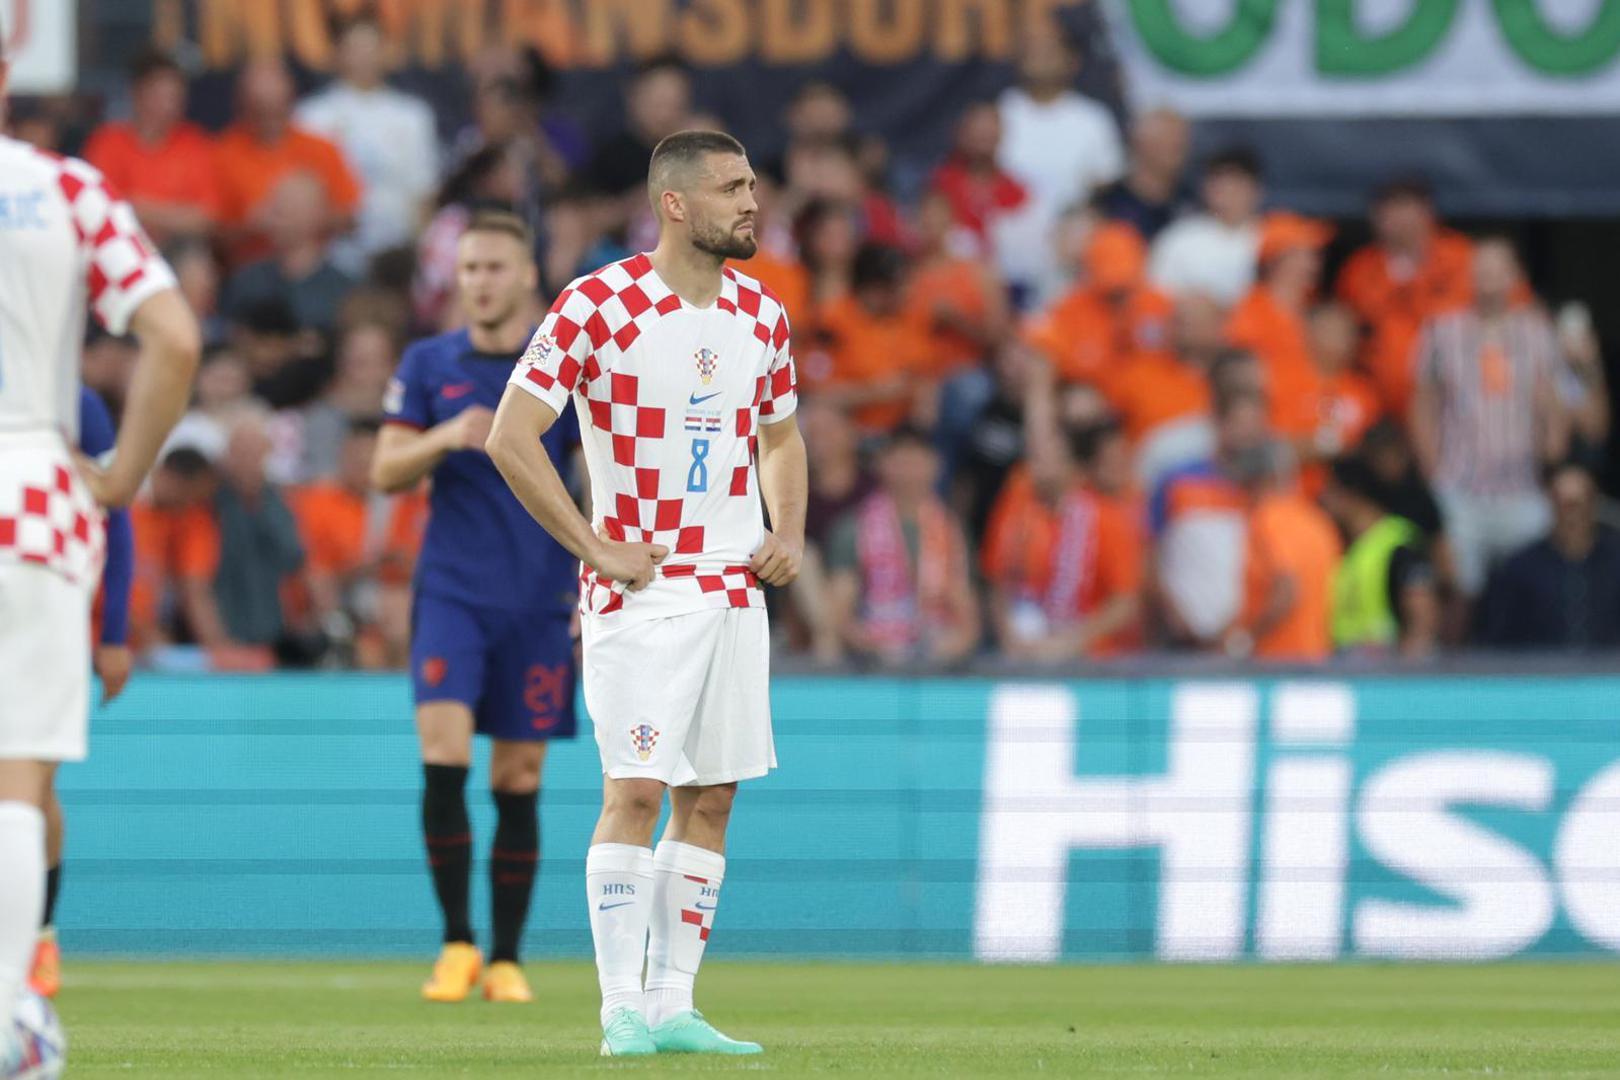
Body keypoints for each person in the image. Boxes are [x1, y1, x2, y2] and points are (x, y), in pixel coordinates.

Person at [486, 130, 806, 1055]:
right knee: (635, 789)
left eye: (752, 182)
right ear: (675, 203)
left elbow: (781, 437)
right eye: (732, 186)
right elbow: (512, 435)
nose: (753, 201)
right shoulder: (600, 303)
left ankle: (673, 1003)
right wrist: (593, 545)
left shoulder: (762, 315)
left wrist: (785, 530)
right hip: (644, 589)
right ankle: (618, 1007)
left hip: (733, 590)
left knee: (712, 799)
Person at [0, 40, 201, 1068]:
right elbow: (172, 338)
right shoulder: (66, 190)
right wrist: (120, 475)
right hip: (31, 495)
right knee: (17, 779)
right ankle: (13, 1023)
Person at [371, 211, 581, 1006]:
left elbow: (595, 479)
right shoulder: (431, 363)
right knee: (443, 755)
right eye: (469, 269)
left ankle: (509, 957)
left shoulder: (560, 365)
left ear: (527, 276)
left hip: (539, 596)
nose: (481, 281)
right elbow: (387, 468)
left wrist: (593, 584)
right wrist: (444, 438)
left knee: (519, 775)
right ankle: (457, 944)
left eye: (495, 267)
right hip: (453, 593)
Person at [28, 388, 138, 1001]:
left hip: (47, 603)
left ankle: (39, 937)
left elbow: (114, 512)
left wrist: (114, 631)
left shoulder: (73, 400)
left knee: (32, 784)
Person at [1409, 237, 1568, 627]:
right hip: (1461, 484)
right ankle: (1446, 679)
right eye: (1481, 269)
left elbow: (1552, 397)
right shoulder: (1442, 332)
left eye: (1499, 269)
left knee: (1534, 588)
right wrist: (1433, 468)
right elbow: (1423, 403)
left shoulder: (1536, 332)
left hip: (1521, 486)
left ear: (1516, 276)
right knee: (1461, 591)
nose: (1489, 279)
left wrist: (1554, 454)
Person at [981, 421, 1141, 661]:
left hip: (1090, 662)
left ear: (1075, 469)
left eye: (1050, 458)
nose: (1037, 467)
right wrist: (1009, 637)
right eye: (1035, 457)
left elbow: (1125, 602)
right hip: (1022, 654)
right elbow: (996, 584)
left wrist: (1072, 641)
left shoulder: (1106, 520)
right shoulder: (1012, 513)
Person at [295, 13, 441, 274]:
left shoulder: (412, 116)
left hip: (397, 257)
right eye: (355, 48)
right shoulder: (311, 116)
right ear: (337, 54)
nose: (364, 57)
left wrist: (422, 260)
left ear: (387, 52)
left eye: (371, 47)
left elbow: (423, 195)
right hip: (331, 257)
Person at [824, 426, 980, 667]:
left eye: (916, 459)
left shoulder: (951, 531)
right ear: (882, 464)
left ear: (935, 465)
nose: (909, 470)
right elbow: (839, 614)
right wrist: (876, 646)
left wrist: (946, 650)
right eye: (900, 459)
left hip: (938, 658)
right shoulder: (856, 527)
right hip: (871, 661)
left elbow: (966, 615)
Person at [996, 22, 1124, 298]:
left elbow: (1105, 190)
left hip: (1074, 251)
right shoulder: (1001, 113)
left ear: (1072, 61)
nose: (1039, 57)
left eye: (1049, 50)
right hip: (1007, 248)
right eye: (1031, 49)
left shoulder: (1092, 119)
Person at [1335, 176, 1475, 417]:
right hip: (1381, 408)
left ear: (1426, 211)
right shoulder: (1359, 270)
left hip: (1455, 405)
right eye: (1387, 208)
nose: (1396, 218)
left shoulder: (1462, 258)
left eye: (1404, 206)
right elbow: (1339, 335)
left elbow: (1513, 316)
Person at [213, 59, 362, 266]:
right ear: (243, 106)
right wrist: (252, 225)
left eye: (278, 107)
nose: (270, 118)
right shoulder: (222, 153)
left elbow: (351, 217)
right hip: (250, 268)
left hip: (316, 267)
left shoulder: (322, 148)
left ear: (291, 101)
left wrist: (305, 218)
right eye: (260, 109)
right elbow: (213, 233)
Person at [81, 50, 222, 246]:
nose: (169, 105)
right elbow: (96, 209)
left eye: (175, 96)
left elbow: (206, 219)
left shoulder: (194, 143)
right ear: (137, 93)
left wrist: (137, 207)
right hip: (122, 243)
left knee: (197, 271)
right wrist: (173, 213)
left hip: (177, 246)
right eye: (160, 95)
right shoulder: (107, 141)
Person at [1480, 457, 1620, 650]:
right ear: (1551, 504)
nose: (1572, 515)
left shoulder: (1615, 563)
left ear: (1593, 504)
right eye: (1563, 504)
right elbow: (1500, 641)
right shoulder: (1521, 568)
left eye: (1578, 503)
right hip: (1539, 675)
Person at [1322, 455, 1439, 658]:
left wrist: (1406, 675)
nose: (1323, 499)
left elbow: (1423, 619)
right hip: (1348, 666)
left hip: (1386, 672)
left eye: (1331, 491)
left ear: (1351, 495)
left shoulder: (1399, 545)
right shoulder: (1348, 546)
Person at [221, 170, 356, 336]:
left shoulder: (343, 290)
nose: (279, 215)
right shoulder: (247, 280)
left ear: (319, 214)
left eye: (291, 207)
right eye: (276, 206)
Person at [1149, 146, 1264, 306]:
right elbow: (1157, 295)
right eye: (1220, 184)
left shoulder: (1272, 237)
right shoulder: (1179, 238)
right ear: (1206, 188)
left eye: (1236, 184)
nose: (1228, 193)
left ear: (1256, 190)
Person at [1092, 108, 1191, 241]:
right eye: (1163, 142)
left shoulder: (1193, 199)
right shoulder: (1107, 203)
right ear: (1138, 144)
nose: (1176, 150)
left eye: (1180, 142)